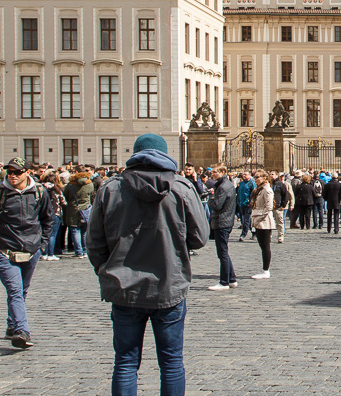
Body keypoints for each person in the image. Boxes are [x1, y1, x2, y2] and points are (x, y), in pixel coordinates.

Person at [85, 134, 208, 395]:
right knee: (172, 362)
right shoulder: (181, 188)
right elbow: (199, 238)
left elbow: (94, 242)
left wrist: (105, 270)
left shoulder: (110, 189)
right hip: (168, 286)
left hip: (123, 286)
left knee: (125, 362)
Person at [0, 157, 54, 349]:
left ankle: (11, 325)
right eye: (10, 172)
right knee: (15, 290)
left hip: (31, 250)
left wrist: (42, 245)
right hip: (5, 250)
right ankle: (21, 331)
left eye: (17, 172)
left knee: (22, 290)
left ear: (27, 173)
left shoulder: (39, 192)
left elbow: (48, 220)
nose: (13, 175)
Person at [207, 165, 237, 290]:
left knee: (222, 253)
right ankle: (232, 279)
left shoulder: (223, 187)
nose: (212, 174)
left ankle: (224, 281)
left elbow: (217, 205)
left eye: (215, 172)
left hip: (222, 221)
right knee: (224, 252)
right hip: (226, 221)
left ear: (223, 172)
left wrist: (210, 199)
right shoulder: (227, 184)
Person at [64, 167, 95, 258]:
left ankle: (78, 251)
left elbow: (66, 195)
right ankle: (85, 251)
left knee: (75, 230)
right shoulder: (90, 184)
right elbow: (92, 194)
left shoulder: (70, 185)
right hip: (86, 209)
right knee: (85, 231)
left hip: (73, 209)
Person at [249, 171, 275, 279]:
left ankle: (266, 270)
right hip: (258, 220)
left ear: (265, 178)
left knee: (265, 246)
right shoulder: (259, 190)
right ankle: (265, 269)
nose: (255, 179)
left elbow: (269, 207)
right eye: (254, 177)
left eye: (257, 177)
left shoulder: (267, 190)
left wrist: (258, 218)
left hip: (264, 222)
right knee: (262, 246)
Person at [235, 171, 255, 241]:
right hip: (241, 204)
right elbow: (239, 192)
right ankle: (254, 232)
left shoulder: (251, 183)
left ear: (249, 176)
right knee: (246, 220)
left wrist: (251, 202)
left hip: (248, 204)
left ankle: (243, 235)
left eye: (246, 174)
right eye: (243, 174)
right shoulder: (241, 183)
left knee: (246, 220)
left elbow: (254, 193)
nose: (244, 176)